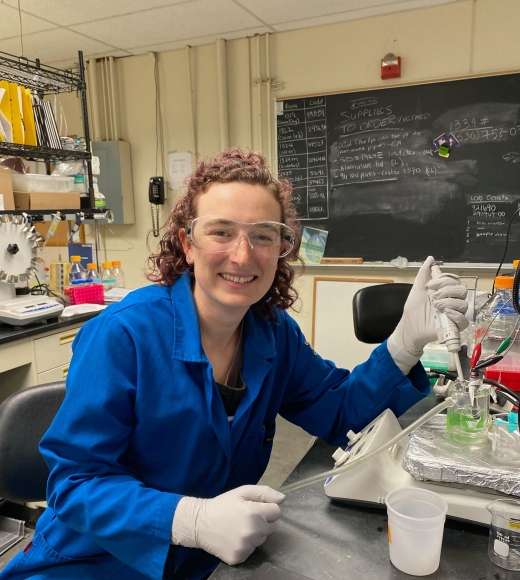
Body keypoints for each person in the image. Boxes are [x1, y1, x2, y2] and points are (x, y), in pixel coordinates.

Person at [1, 149, 468, 580]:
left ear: (281, 249)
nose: (243, 255)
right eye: (221, 231)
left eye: (263, 236)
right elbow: (75, 484)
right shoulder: (124, 335)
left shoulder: (273, 332)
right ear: (187, 244)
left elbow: (340, 412)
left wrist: (403, 346)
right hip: (96, 564)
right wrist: (191, 520)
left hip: (208, 564)